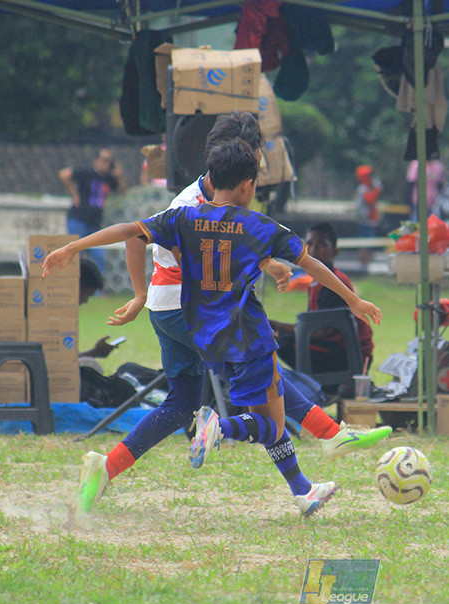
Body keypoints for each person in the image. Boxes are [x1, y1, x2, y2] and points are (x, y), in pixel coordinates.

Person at [43, 139, 383, 517]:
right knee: (270, 424)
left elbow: (128, 231)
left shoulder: (183, 217)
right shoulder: (259, 226)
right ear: (248, 185)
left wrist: (74, 247)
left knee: (214, 405)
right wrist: (353, 301)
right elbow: (311, 263)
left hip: (201, 333)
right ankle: (230, 427)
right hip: (247, 337)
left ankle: (302, 488)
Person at [115, 111, 391, 460]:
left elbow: (226, 246)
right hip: (183, 306)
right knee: (265, 376)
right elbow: (154, 243)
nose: (257, 167)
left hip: (177, 306)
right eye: (256, 157)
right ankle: (328, 435)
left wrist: (266, 262)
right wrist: (138, 294)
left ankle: (107, 466)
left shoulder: (221, 200)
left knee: (183, 405)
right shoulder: (189, 205)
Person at [270, 222, 375, 392]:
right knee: (283, 339)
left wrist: (278, 326)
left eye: (322, 244)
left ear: (335, 252)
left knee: (284, 343)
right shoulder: (315, 283)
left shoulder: (333, 284)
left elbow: (319, 331)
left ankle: (323, 387)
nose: (314, 250)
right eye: (310, 244)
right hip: (335, 347)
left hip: (352, 354)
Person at [58, 149, 126, 273]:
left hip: (95, 223)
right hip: (78, 219)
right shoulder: (87, 173)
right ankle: (74, 282)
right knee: (76, 254)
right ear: (96, 161)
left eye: (109, 161)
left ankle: (98, 284)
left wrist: (119, 175)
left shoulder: (108, 179)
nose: (106, 164)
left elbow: (122, 191)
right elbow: (64, 174)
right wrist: (74, 194)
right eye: (104, 160)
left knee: (99, 255)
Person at [354, 165, 383, 268]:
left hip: (372, 220)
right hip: (365, 220)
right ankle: (363, 264)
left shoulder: (371, 187)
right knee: (365, 243)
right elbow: (370, 199)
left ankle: (368, 263)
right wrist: (377, 189)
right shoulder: (363, 189)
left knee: (371, 243)